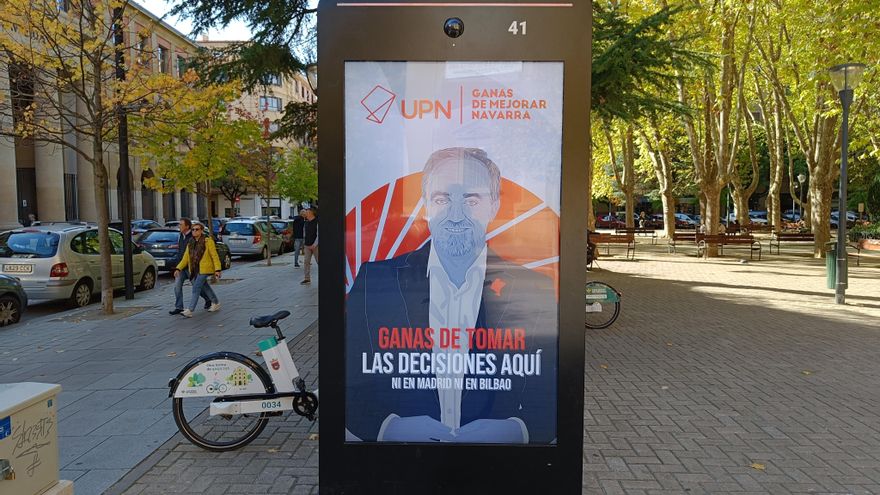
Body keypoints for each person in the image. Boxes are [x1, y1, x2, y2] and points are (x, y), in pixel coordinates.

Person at [345, 147, 556, 444]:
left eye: (471, 199)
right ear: (426, 205)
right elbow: (350, 380)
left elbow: (548, 390)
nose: (456, 216)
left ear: (494, 206)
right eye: (442, 199)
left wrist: (515, 430)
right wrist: (389, 428)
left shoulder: (534, 289)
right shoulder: (374, 280)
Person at [173, 222, 221, 317]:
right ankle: (215, 302)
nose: (194, 231)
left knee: (196, 288)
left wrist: (217, 270)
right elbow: (185, 258)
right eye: (193, 229)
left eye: (197, 229)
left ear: (202, 231)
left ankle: (190, 310)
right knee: (205, 287)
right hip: (195, 269)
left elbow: (214, 256)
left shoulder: (208, 241)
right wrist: (178, 268)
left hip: (205, 269)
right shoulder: (190, 242)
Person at [169, 218, 211, 315]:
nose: (179, 226)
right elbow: (182, 250)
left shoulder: (193, 237)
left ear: (187, 226)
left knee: (196, 287)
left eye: (181, 224)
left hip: (191, 267)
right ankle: (179, 307)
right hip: (181, 266)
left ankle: (208, 299)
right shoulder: (181, 235)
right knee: (177, 287)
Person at [301, 208, 318, 284]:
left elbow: (319, 234)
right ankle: (307, 278)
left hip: (316, 246)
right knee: (306, 262)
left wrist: (315, 244)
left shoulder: (317, 222)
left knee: (319, 261)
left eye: (307, 212)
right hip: (307, 245)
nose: (305, 213)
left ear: (311, 213)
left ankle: (324, 277)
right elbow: (304, 233)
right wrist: (304, 243)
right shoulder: (306, 223)